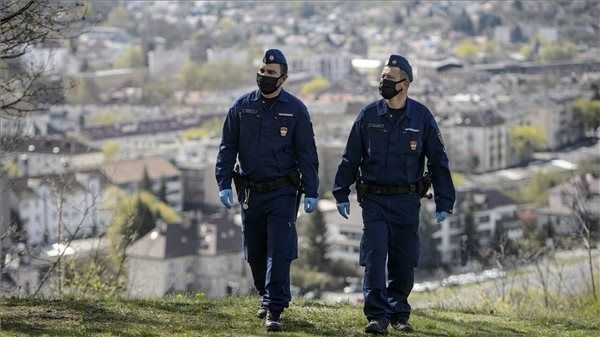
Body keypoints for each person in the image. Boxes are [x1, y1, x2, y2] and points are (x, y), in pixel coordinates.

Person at [332, 54, 455, 334]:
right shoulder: (368, 116)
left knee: (404, 258)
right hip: (374, 199)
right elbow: (350, 157)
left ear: (406, 84)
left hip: (407, 201)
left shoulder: (421, 117)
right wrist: (340, 192)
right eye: (382, 78)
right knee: (375, 256)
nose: (383, 83)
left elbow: (438, 160)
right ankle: (377, 315)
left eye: (389, 79)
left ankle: (399, 312)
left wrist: (445, 200)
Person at [215, 48, 319, 332]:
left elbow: (307, 153)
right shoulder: (241, 107)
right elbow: (227, 148)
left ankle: (275, 307)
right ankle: (265, 295)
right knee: (255, 253)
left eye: (271, 73)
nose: (265, 76)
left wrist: (311, 190)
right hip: (251, 192)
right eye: (262, 71)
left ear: (283, 78)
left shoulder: (296, 110)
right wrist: (223, 182)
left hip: (283, 192)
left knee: (279, 250)